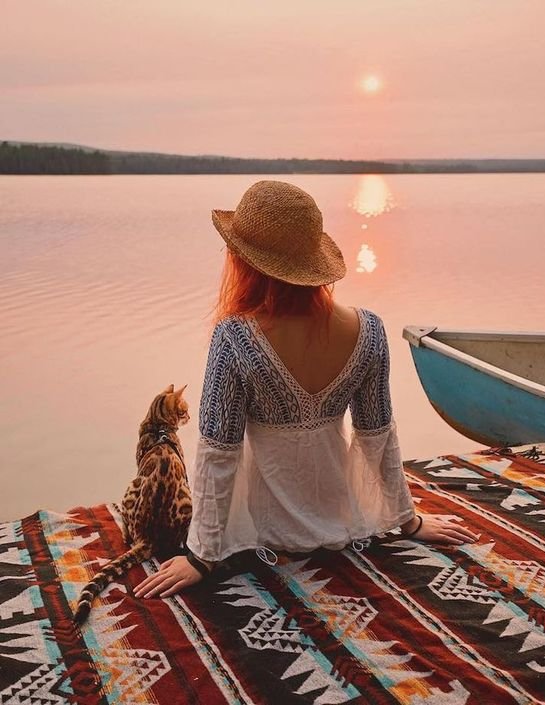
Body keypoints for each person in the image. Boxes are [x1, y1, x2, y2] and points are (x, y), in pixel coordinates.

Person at [134, 180, 478, 600]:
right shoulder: (369, 329)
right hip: (341, 517)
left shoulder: (235, 337)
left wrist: (201, 555)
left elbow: (217, 454)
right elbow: (378, 437)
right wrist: (407, 520)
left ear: (244, 261)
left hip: (261, 529)